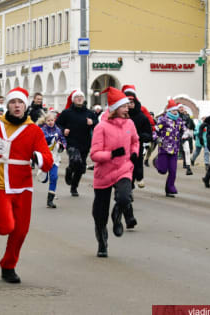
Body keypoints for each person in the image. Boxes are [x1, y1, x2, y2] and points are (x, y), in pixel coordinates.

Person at [0, 87, 53, 283]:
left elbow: (48, 159)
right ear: (7, 105)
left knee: (21, 231)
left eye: (20, 103)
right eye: (13, 102)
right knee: (5, 226)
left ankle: (8, 266)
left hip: (23, 185)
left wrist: (37, 157)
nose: (17, 106)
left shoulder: (34, 130)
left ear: (25, 105)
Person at [90, 87, 139, 258]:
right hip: (104, 172)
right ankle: (102, 243)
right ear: (114, 108)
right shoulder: (101, 127)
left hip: (124, 169)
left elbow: (135, 141)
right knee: (99, 213)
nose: (127, 108)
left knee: (125, 197)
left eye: (127, 105)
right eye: (124, 106)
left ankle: (117, 216)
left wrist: (134, 153)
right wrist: (111, 154)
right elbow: (94, 154)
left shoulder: (130, 124)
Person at [56, 89, 98, 196]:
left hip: (85, 143)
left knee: (81, 168)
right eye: (77, 97)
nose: (79, 98)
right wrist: (63, 130)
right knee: (76, 161)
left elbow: (98, 125)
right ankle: (70, 170)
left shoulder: (90, 113)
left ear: (83, 99)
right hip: (71, 142)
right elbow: (58, 125)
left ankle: (74, 187)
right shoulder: (67, 113)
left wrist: (92, 122)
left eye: (81, 97)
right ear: (73, 99)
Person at [153, 99, 188, 197]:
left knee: (173, 170)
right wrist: (156, 138)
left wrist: (186, 134)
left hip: (174, 149)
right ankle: (156, 162)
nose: (175, 112)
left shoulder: (179, 120)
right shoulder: (163, 119)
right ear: (169, 111)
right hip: (164, 148)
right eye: (173, 110)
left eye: (176, 110)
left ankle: (169, 189)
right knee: (163, 170)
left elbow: (185, 130)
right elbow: (155, 131)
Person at [122, 85, 152, 191]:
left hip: (136, 146)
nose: (129, 105)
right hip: (121, 147)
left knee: (135, 165)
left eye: (132, 103)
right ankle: (126, 186)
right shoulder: (119, 116)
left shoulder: (142, 117)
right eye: (127, 103)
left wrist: (141, 137)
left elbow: (149, 134)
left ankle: (131, 185)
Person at [37, 112, 66, 208]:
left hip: (55, 157)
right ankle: (43, 176)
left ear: (54, 120)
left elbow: (63, 139)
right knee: (44, 178)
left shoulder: (58, 130)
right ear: (45, 121)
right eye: (48, 120)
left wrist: (63, 146)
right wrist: (51, 138)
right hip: (45, 156)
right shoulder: (42, 130)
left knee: (54, 177)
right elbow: (42, 139)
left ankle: (50, 200)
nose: (50, 122)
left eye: (52, 120)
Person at [178, 104, 195, 175]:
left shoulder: (187, 116)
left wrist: (189, 121)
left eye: (182, 107)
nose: (181, 109)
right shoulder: (176, 116)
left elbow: (192, 126)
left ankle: (188, 167)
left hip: (185, 137)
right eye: (180, 108)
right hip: (176, 137)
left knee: (187, 150)